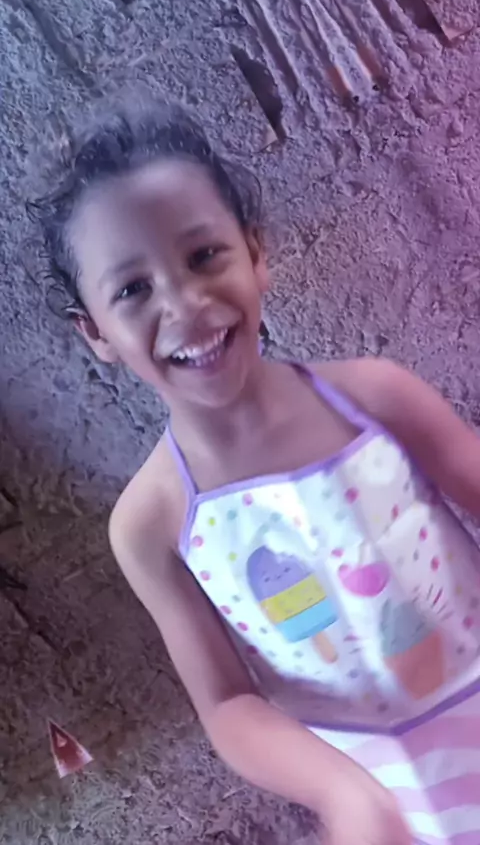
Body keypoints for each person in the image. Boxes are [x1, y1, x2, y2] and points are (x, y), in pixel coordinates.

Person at [29, 101, 480, 845]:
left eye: (204, 255)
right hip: (378, 792)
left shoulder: (376, 398)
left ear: (255, 251)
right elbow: (227, 702)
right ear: (94, 332)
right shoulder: (150, 523)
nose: (185, 303)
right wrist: (341, 791)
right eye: (132, 289)